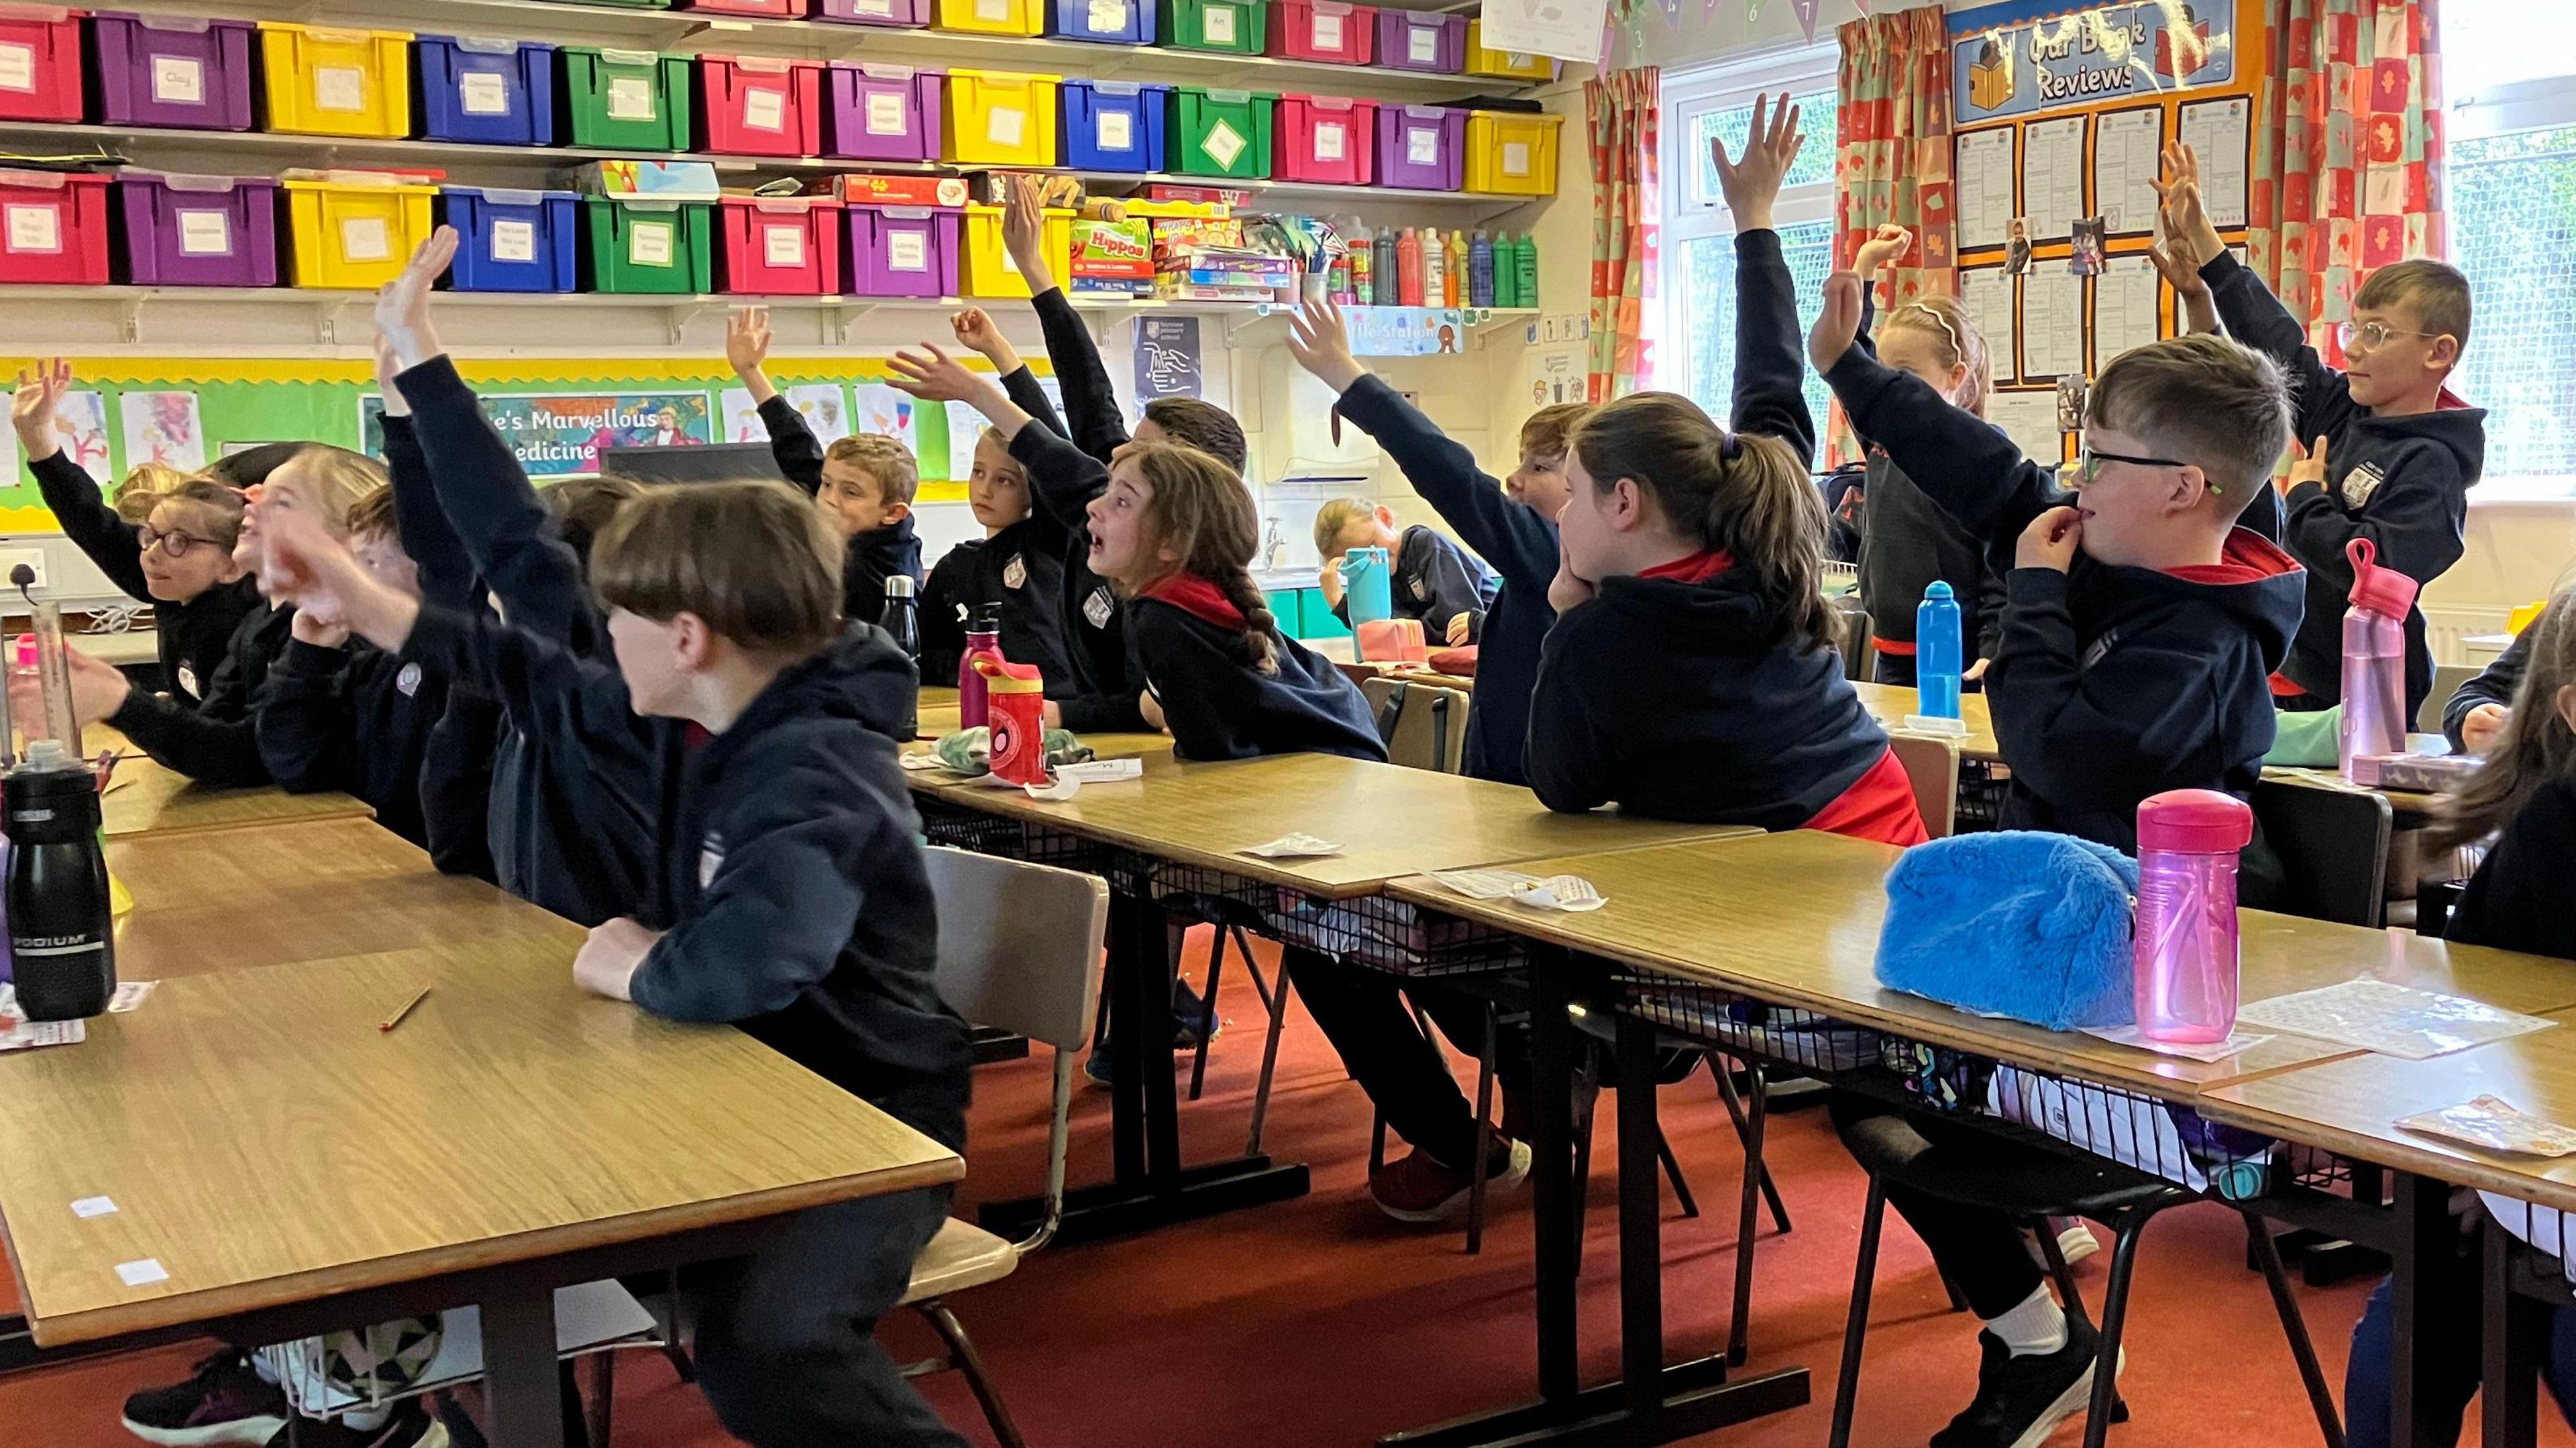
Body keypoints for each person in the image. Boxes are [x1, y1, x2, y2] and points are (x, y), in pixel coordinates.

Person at [256, 479, 974, 1448]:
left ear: (686, 638)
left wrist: (639, 963)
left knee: (765, 1343)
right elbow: (509, 663)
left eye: (618, 615)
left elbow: (745, 963)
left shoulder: (817, 764)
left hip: (873, 1127)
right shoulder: (695, 717)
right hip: (732, 1084)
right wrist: (354, 587)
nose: (596, 636)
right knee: (470, 1219)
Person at [1811, 227, 2305, 1448]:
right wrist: (1850, 364)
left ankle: (2039, 1335)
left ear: (2185, 486)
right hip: (2044, 946)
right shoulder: (2112, 539)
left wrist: (2031, 600)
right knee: (1855, 1074)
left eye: (2102, 458)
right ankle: (2044, 1335)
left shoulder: (2206, 638)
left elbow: (2062, 751)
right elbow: (1979, 467)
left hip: (2144, 986)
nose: (2073, 479)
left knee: (1883, 1086)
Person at [1528, 93, 1930, 848]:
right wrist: (1755, 219)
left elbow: (1562, 786)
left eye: (1573, 492)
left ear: (1625, 501)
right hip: (1884, 847)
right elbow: (1773, 381)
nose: (1559, 514)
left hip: (1826, 890)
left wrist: (1567, 616)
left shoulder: (1602, 635)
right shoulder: (1758, 543)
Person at [2337, 592, 2576, 1447]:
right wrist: (2485, 1164)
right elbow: (2467, 1024)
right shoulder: (2552, 835)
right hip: (2527, 1173)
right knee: (2400, 1353)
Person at [376, 227, 664, 926]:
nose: (494, 596)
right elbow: (455, 848)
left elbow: (511, 538)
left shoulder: (610, 704)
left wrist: (425, 362)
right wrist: (400, 410)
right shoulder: (525, 702)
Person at [2160, 140, 2484, 719]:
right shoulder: (2348, 411)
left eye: (2378, 334)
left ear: (2438, 354)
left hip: (2366, 693)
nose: (2356, 349)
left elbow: (2376, 569)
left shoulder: (2432, 465)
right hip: (2297, 674)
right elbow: (2278, 343)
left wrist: (2307, 498)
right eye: (2354, 330)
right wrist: (2207, 248)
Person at [1283, 309, 1581, 789]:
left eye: (1541, 468)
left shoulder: (1550, 549)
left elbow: (1451, 476)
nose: (1515, 478)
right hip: (1506, 786)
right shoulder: (1551, 559)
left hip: (1525, 790)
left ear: (1587, 484)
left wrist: (1346, 374)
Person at [13, 360, 260, 711]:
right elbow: (93, 523)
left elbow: (227, 746)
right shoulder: (176, 588)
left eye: (180, 541)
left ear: (233, 564)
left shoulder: (243, 633)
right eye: (150, 535)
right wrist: (39, 441)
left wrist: (127, 707)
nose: (151, 554)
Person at [1839, 224, 2008, 688]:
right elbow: (1850, 361)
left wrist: (1995, 646)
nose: (1888, 387)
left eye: (1906, 375)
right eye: (1884, 374)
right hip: (1892, 645)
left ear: (1955, 376)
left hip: (1958, 648)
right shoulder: (1882, 438)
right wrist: (1865, 269)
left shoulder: (1982, 451)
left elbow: (2002, 565)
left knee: (1951, 757)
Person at [724, 307, 926, 623]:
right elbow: (797, 447)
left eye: (852, 493)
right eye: (828, 484)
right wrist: (751, 372)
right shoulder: (840, 510)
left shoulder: (883, 578)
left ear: (892, 513)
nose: (829, 498)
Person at [914, 415, 1075, 698]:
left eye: (1004, 480)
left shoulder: (1047, 545)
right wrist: (971, 670)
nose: (985, 489)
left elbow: (1060, 465)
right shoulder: (954, 566)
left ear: (1033, 490)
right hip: (991, 707)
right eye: (978, 473)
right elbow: (924, 652)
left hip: (1057, 700)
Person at [1309, 496, 1497, 646]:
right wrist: (1341, 604)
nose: (1374, 559)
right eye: (1358, 560)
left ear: (1385, 518)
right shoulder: (1378, 576)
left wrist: (1395, 631)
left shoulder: (1426, 545)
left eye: (1373, 545)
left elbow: (1451, 627)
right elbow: (1378, 636)